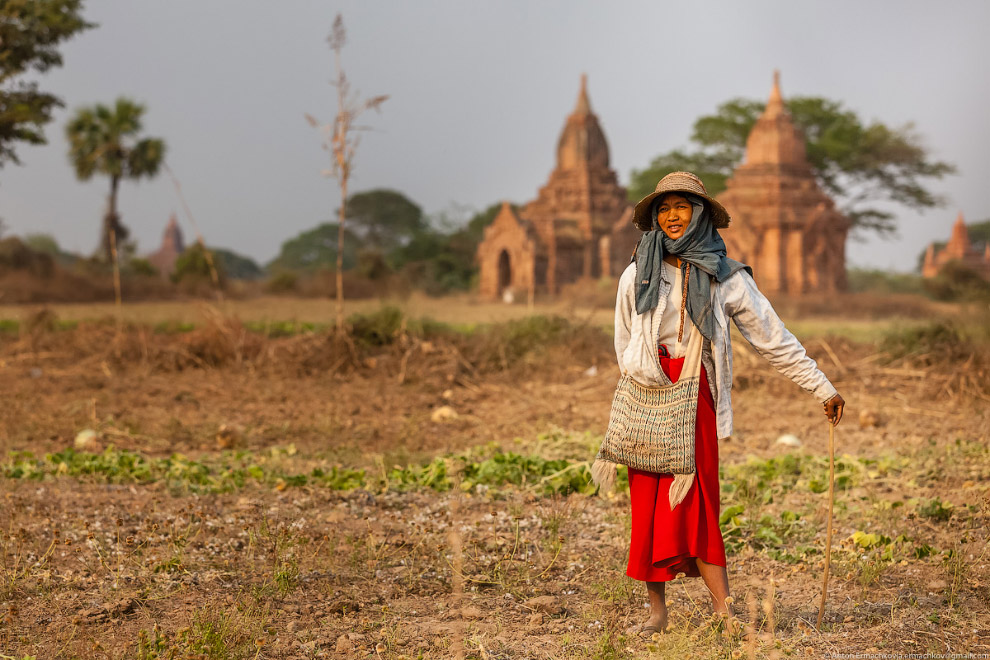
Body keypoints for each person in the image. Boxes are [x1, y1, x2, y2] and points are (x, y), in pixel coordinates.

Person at [609, 171, 845, 637]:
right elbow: (623, 337)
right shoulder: (638, 271)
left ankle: (725, 614)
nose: (672, 216)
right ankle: (656, 615)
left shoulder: (727, 276)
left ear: (699, 214)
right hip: (646, 393)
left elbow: (772, 339)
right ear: (655, 216)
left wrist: (821, 386)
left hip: (695, 393)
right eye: (664, 208)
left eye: (682, 206)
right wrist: (642, 384)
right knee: (649, 504)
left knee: (697, 500)